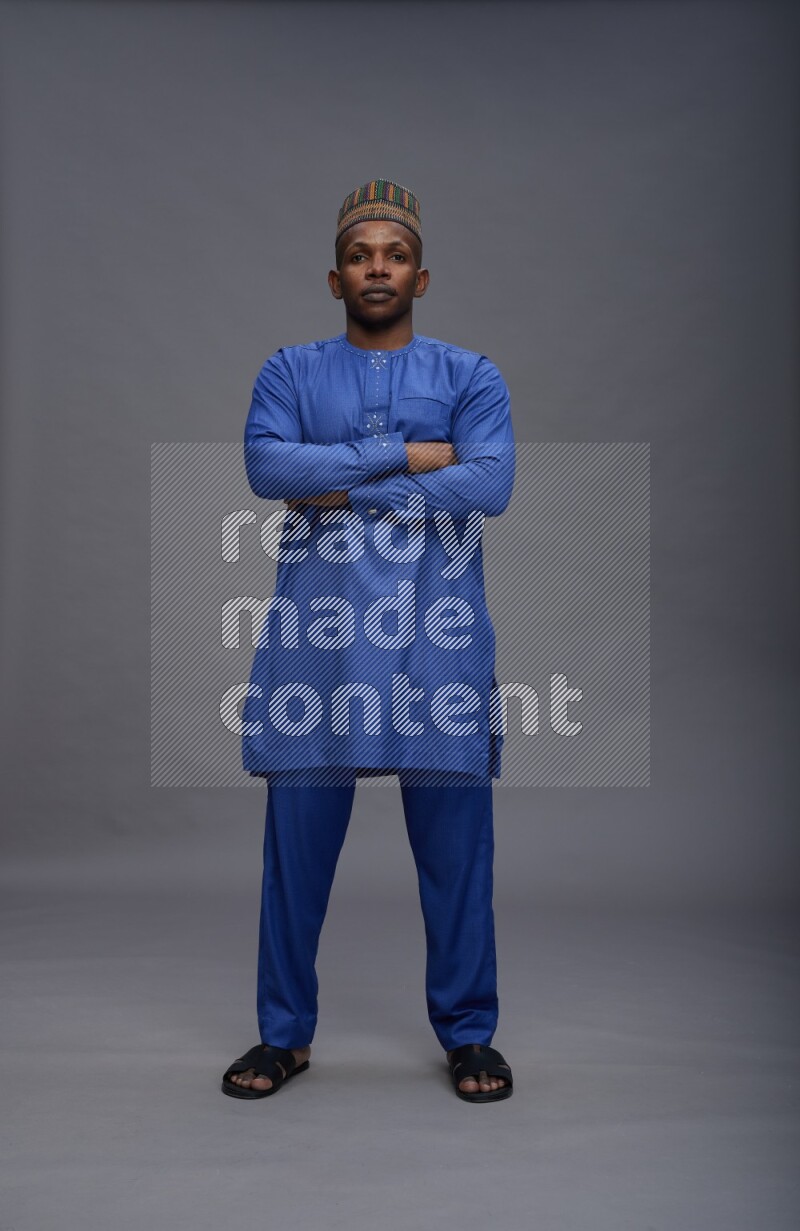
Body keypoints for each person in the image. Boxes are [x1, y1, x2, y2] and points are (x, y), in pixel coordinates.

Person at [221, 179, 516, 1103]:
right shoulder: (289, 370)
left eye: (392, 255)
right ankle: (283, 1036)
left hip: (438, 637)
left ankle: (470, 1035)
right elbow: (269, 465)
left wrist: (346, 486)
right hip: (322, 642)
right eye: (360, 255)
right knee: (295, 852)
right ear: (335, 276)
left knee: (458, 851)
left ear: (420, 277)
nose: (376, 268)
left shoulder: (472, 376)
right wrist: (417, 454)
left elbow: (492, 486)